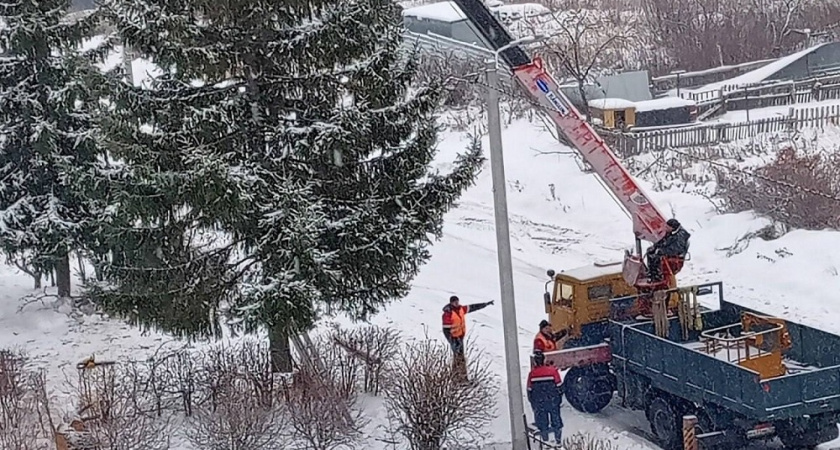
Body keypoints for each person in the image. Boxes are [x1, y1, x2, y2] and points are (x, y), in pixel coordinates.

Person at [442, 295, 494, 380]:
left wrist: (485, 304)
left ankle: (456, 377)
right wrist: (452, 342)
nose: (457, 303)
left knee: (459, 357)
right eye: (455, 302)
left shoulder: (461, 309)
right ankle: (461, 378)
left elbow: (473, 307)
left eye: (457, 301)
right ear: (451, 303)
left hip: (460, 337)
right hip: (454, 338)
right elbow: (446, 330)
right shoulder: (448, 314)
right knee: (459, 358)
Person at [527, 350, 564, 444]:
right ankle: (558, 441)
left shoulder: (532, 374)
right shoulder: (552, 371)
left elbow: (529, 390)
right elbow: (560, 386)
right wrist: (558, 399)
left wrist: (533, 403)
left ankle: (545, 441)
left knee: (542, 424)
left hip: (539, 403)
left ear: (535, 361)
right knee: (556, 421)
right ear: (544, 360)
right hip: (553, 401)